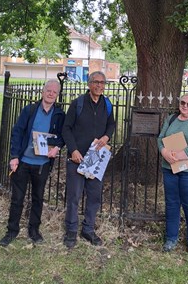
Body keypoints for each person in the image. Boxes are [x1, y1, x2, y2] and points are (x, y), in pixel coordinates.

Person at [0, 80, 65, 247]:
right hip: (23, 162)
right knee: (17, 198)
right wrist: (14, 156)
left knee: (37, 198)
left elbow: (62, 135)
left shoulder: (59, 114)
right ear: (43, 92)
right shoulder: (29, 110)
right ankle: (11, 231)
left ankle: (34, 231)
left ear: (57, 95)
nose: (51, 94)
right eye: (48, 90)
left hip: (42, 164)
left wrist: (56, 147)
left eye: (54, 92)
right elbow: (17, 132)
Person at [62, 71, 115, 248]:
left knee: (94, 196)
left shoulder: (106, 104)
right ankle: (71, 230)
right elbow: (66, 129)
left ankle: (88, 229)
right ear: (89, 84)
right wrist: (73, 150)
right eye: (96, 82)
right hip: (77, 157)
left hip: (95, 157)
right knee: (74, 196)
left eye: (102, 82)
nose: (99, 85)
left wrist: (107, 136)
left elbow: (111, 124)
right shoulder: (78, 104)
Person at [157, 93, 188, 253]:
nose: (185, 106)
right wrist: (164, 152)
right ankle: (171, 238)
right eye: (183, 103)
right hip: (169, 168)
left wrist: (176, 156)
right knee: (171, 204)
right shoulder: (171, 119)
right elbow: (160, 138)